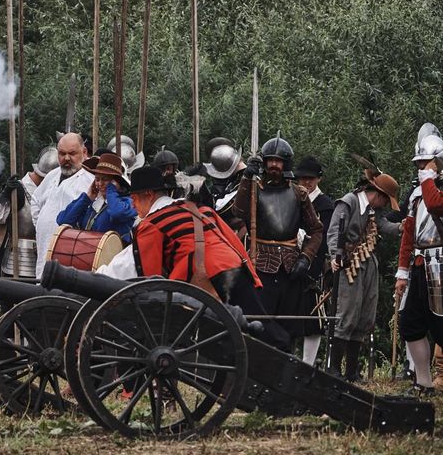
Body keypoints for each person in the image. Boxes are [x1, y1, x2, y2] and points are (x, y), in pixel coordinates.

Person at [96, 166, 272, 333]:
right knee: (262, 330)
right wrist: (252, 275)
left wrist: (103, 276)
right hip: (236, 268)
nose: (132, 206)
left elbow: (148, 276)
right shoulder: (200, 209)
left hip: (205, 277)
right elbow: (232, 240)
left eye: (134, 199)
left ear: (148, 195)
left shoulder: (152, 224)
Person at [232, 136, 323, 351]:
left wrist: (306, 257)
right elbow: (239, 213)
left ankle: (286, 373)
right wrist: (246, 178)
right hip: (260, 264)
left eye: (278, 161)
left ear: (286, 163)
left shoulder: (299, 193)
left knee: (288, 327)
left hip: (291, 268)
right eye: (270, 160)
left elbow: (316, 230)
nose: (274, 165)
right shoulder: (255, 190)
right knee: (260, 324)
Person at [325, 169, 402, 381]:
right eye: (386, 200)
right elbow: (334, 232)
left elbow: (384, 225)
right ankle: (333, 370)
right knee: (346, 315)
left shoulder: (373, 211)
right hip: (349, 263)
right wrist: (336, 256)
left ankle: (352, 371)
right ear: (379, 194)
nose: (385, 205)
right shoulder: (349, 202)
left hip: (368, 264)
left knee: (365, 316)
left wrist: (401, 228)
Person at [396, 131, 443, 395]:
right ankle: (423, 383)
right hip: (420, 264)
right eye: (419, 164)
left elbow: (436, 205)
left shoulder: (432, 189)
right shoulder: (417, 193)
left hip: (442, 264)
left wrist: (429, 178)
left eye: (425, 163)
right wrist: (402, 272)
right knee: (411, 324)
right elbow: (409, 235)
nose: (421, 168)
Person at [0, 146, 58, 275]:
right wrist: (5, 196)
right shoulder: (17, 190)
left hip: (45, 255)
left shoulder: (51, 192)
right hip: (19, 256)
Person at [31, 132, 94, 278]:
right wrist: (41, 224)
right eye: (62, 153)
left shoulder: (89, 180)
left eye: (72, 153)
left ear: (84, 152)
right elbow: (35, 200)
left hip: (72, 255)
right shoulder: (52, 175)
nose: (66, 158)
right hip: (44, 250)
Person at [294, 156, 335, 367]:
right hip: (290, 263)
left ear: (318, 179)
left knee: (312, 316)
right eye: (302, 179)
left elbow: (325, 237)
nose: (306, 183)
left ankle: (308, 363)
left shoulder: (325, 205)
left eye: (310, 179)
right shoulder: (292, 199)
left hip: (314, 265)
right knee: (289, 315)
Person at [55, 152, 137, 246]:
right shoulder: (92, 204)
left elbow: (116, 213)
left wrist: (111, 189)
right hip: (89, 257)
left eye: (105, 179)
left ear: (116, 182)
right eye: (97, 179)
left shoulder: (128, 202)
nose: (100, 184)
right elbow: (63, 220)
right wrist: (86, 198)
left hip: (115, 258)